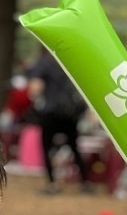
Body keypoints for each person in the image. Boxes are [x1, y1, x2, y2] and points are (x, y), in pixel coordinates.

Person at [27, 48, 92, 195]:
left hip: (51, 112)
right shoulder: (70, 62)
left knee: (46, 147)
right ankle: (85, 182)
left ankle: (52, 184)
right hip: (70, 112)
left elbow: (35, 87)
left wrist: (35, 99)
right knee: (74, 146)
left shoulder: (44, 63)